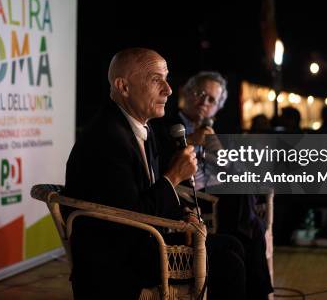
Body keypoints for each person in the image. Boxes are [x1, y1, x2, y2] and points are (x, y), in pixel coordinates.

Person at [64, 49, 245, 299]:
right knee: (228, 261)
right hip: (116, 261)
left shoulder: (138, 125)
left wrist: (185, 214)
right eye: (156, 79)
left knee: (232, 245)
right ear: (123, 86)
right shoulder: (106, 138)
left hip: (141, 242)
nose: (168, 89)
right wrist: (173, 178)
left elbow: (146, 195)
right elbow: (131, 217)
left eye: (167, 78)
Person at [154, 71, 274, 299]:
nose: (204, 102)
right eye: (200, 93)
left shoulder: (217, 132)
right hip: (189, 198)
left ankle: (254, 290)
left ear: (218, 107)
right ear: (187, 93)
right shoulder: (165, 124)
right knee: (250, 220)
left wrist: (221, 155)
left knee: (252, 218)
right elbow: (157, 160)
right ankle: (259, 293)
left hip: (221, 200)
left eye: (212, 100)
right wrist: (190, 140)